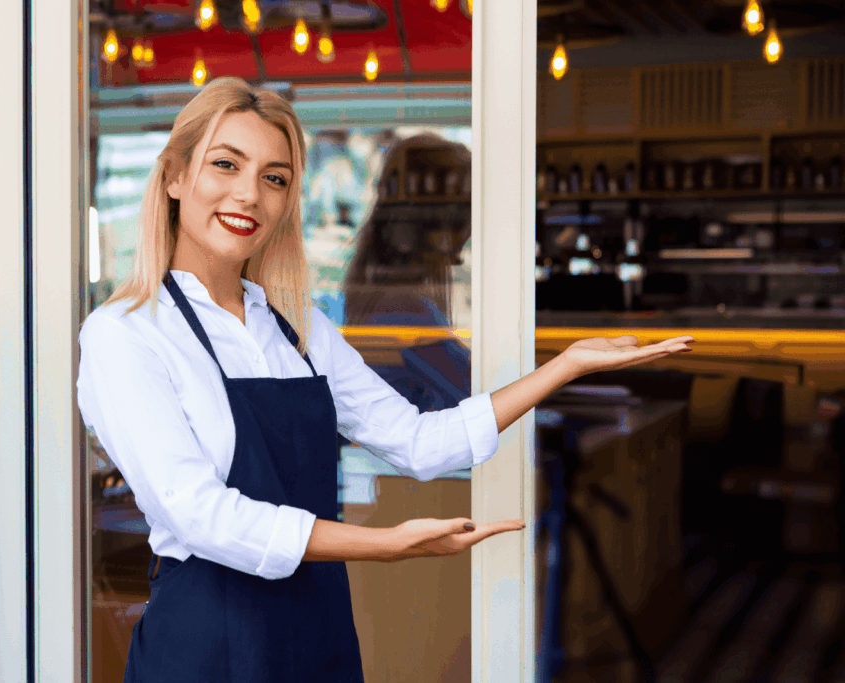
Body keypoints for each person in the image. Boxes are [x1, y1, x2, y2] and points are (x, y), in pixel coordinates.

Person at [75, 77, 694, 683]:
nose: (249, 195)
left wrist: (565, 367)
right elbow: (202, 517)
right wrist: (388, 544)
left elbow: (419, 442)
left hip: (316, 629)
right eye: (226, 165)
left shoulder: (298, 328)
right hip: (206, 643)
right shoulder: (125, 335)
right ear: (176, 177)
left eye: (274, 178)